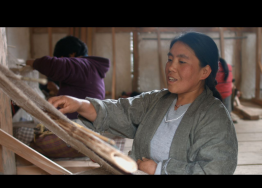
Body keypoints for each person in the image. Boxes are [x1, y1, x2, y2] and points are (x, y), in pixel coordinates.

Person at [48, 32, 238, 174]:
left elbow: (216, 170)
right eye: (170, 59)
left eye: (182, 62)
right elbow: (121, 111)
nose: (171, 67)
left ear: (204, 72)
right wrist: (80, 104)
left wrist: (160, 169)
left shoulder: (215, 117)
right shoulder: (157, 100)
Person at [24, 36, 111, 158]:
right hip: (85, 133)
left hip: (78, 136)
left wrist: (29, 63)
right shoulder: (90, 69)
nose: (60, 60)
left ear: (72, 54)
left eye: (61, 57)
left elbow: (53, 65)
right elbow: (78, 94)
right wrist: (57, 91)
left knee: (19, 134)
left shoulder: (82, 65)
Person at [215, 57, 237, 123]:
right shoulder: (229, 67)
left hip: (217, 93)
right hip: (227, 92)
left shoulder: (214, 67)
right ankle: (228, 116)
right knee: (227, 109)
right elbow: (231, 80)